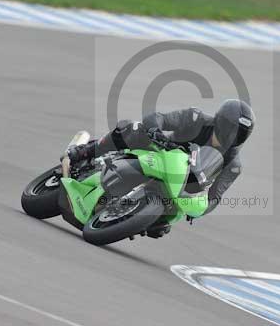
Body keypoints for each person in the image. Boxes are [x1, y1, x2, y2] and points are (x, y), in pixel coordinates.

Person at [64, 99, 255, 235]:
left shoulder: (233, 165)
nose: (232, 137)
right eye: (231, 130)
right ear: (220, 121)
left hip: (182, 185)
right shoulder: (196, 118)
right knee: (133, 129)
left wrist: (200, 210)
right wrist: (156, 130)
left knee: (162, 225)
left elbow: (215, 196)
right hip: (161, 152)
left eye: (239, 135)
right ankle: (86, 151)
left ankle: (134, 217)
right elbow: (159, 118)